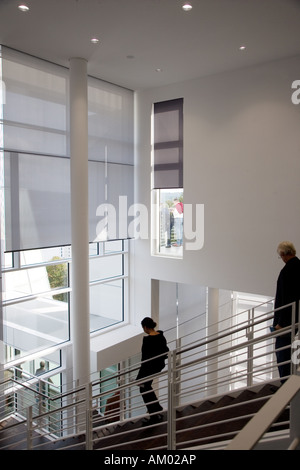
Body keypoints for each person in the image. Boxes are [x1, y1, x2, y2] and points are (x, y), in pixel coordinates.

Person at [273, 241, 300, 384]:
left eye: (280, 256)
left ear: (284, 254)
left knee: (282, 352)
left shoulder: (287, 271)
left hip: (286, 322)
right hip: (296, 318)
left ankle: (285, 387)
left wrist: (280, 323)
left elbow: (286, 298)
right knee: (291, 352)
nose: (281, 259)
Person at [136, 317, 169, 426]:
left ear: (145, 327)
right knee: (147, 387)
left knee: (144, 389)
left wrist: (140, 376)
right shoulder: (161, 336)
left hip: (148, 368)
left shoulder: (147, 340)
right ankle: (157, 409)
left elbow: (144, 359)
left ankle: (154, 415)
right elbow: (166, 351)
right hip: (158, 366)